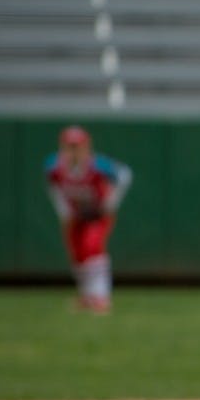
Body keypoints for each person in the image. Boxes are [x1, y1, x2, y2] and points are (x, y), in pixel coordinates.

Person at [45, 125, 132, 314]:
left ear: (86, 147)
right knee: (78, 254)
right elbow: (53, 187)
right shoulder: (54, 167)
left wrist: (110, 202)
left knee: (92, 248)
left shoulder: (97, 166)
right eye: (70, 146)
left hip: (97, 214)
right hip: (76, 216)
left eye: (78, 146)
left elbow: (124, 174)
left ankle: (101, 297)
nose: (74, 151)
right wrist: (64, 210)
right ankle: (86, 296)